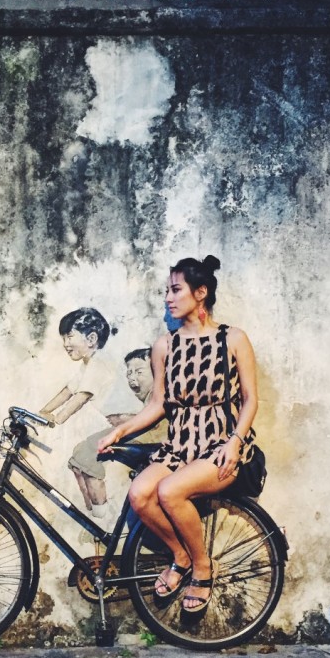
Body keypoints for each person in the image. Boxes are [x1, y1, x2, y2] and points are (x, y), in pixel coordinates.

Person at [97, 256, 260, 613]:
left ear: (200, 293)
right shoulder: (165, 346)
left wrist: (235, 442)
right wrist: (119, 432)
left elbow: (251, 399)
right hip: (179, 447)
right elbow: (158, 404)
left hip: (220, 445)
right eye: (166, 291)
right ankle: (182, 556)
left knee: (169, 491)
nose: (168, 298)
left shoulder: (233, 339)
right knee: (140, 495)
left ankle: (203, 568)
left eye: (175, 290)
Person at [68, 348, 167, 518]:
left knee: (87, 452)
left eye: (139, 372)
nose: (132, 377)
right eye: (129, 373)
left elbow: (155, 421)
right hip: (145, 434)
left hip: (151, 438)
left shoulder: (159, 392)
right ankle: (93, 511)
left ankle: (99, 514)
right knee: (81, 454)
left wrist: (123, 419)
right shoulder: (151, 395)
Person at [39, 307, 116, 428]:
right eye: (64, 339)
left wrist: (57, 420)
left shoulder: (98, 365)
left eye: (69, 337)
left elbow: (80, 399)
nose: (65, 344)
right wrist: (43, 412)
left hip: (112, 423)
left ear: (91, 339)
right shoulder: (87, 364)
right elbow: (67, 392)